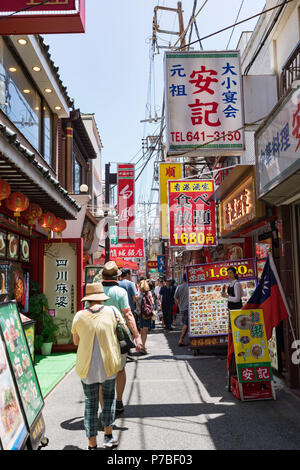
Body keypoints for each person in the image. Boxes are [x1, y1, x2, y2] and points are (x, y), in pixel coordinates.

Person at [72, 282, 126, 450]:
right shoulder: (112, 312)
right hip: (108, 364)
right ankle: (108, 437)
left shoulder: (79, 316)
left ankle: (92, 445)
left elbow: (76, 341)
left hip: (87, 368)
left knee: (90, 404)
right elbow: (122, 333)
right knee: (108, 401)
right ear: (102, 298)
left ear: (87, 299)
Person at [101, 261, 143, 416]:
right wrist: (137, 336)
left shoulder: (95, 291)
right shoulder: (120, 292)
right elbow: (128, 314)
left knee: (102, 370)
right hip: (118, 335)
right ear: (117, 277)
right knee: (120, 369)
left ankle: (105, 404)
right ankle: (118, 401)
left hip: (98, 334)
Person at [137, 280, 154, 354]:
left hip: (139, 313)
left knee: (141, 330)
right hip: (147, 313)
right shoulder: (148, 293)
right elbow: (152, 303)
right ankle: (143, 346)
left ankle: (140, 346)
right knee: (145, 330)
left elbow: (136, 304)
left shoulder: (138, 294)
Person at [174, 273, 189, 346]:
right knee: (186, 324)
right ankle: (181, 339)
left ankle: (183, 339)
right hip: (188, 308)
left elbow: (175, 298)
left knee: (186, 323)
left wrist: (179, 304)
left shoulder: (179, 287)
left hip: (182, 308)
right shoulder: (189, 286)